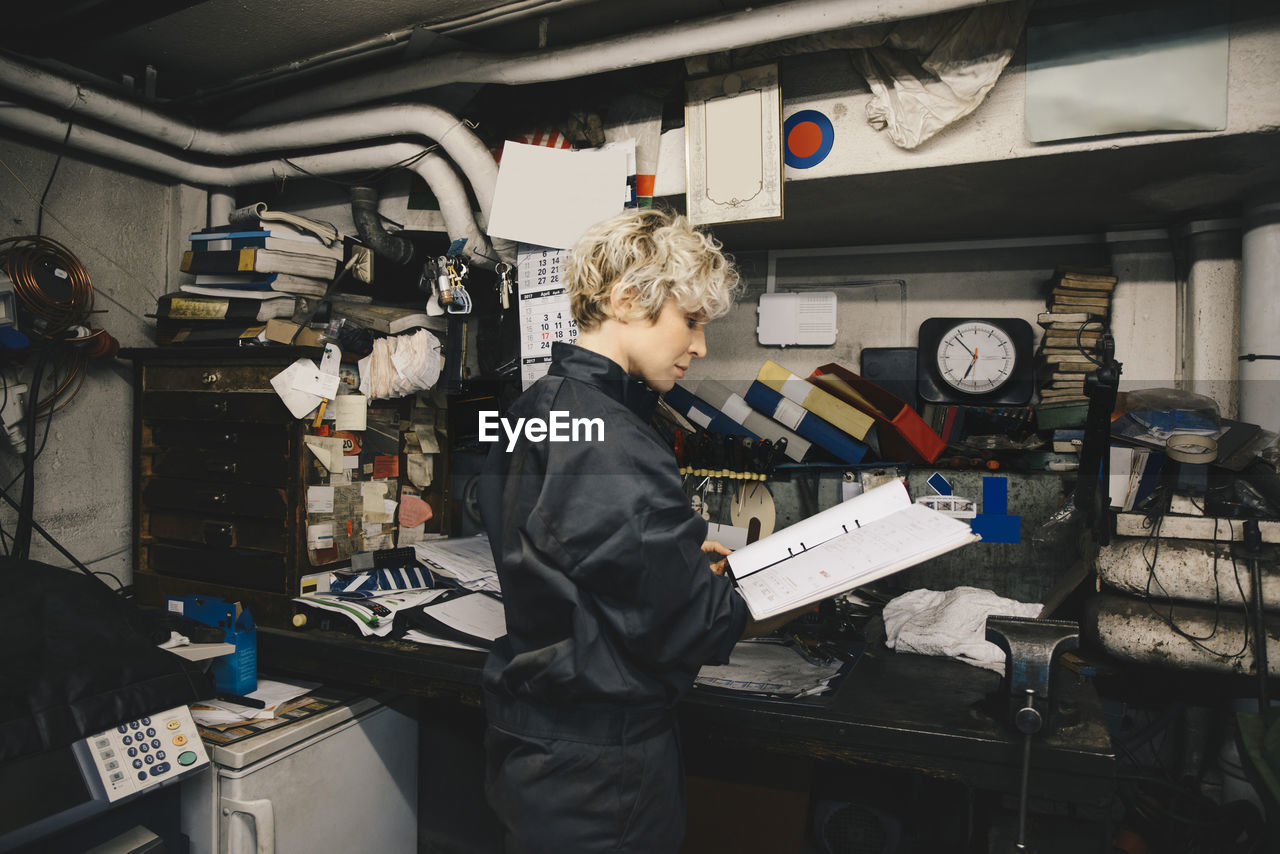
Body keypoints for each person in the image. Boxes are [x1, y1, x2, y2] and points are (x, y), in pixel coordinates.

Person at [477, 208, 805, 853]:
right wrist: (803, 588)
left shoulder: (532, 409)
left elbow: (559, 551)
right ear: (628, 300)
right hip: (601, 766)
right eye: (692, 321)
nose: (701, 347)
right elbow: (691, 625)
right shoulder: (613, 438)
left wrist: (677, 559)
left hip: (535, 737)